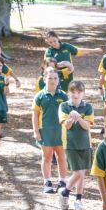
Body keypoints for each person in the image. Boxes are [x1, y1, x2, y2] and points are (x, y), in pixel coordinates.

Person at [32, 67, 69, 195]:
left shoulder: (63, 95)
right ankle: (47, 182)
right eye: (50, 78)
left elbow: (68, 113)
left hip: (60, 130)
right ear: (44, 79)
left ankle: (63, 181)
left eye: (55, 78)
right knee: (46, 157)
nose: (53, 81)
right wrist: (36, 132)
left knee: (61, 156)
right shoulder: (40, 96)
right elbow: (35, 115)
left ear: (58, 80)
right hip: (45, 130)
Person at [59, 81, 96, 210]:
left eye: (79, 92)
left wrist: (79, 118)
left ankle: (78, 200)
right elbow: (67, 125)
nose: (76, 94)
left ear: (83, 93)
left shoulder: (88, 107)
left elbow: (87, 126)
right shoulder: (64, 106)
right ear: (68, 93)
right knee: (78, 173)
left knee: (82, 173)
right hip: (71, 144)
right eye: (73, 92)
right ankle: (65, 192)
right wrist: (71, 116)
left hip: (86, 144)